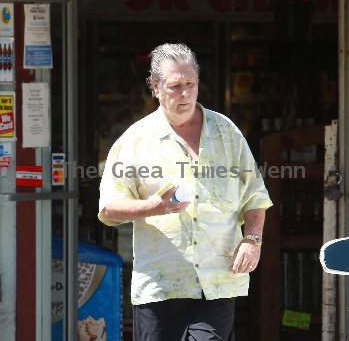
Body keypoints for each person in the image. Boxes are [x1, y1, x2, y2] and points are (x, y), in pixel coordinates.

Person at [98, 43, 273, 341]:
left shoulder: (226, 133)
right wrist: (153, 206)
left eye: (190, 84)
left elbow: (254, 195)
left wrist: (252, 240)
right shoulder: (136, 140)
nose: (184, 94)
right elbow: (108, 208)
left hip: (217, 280)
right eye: (175, 86)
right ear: (155, 87)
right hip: (160, 285)